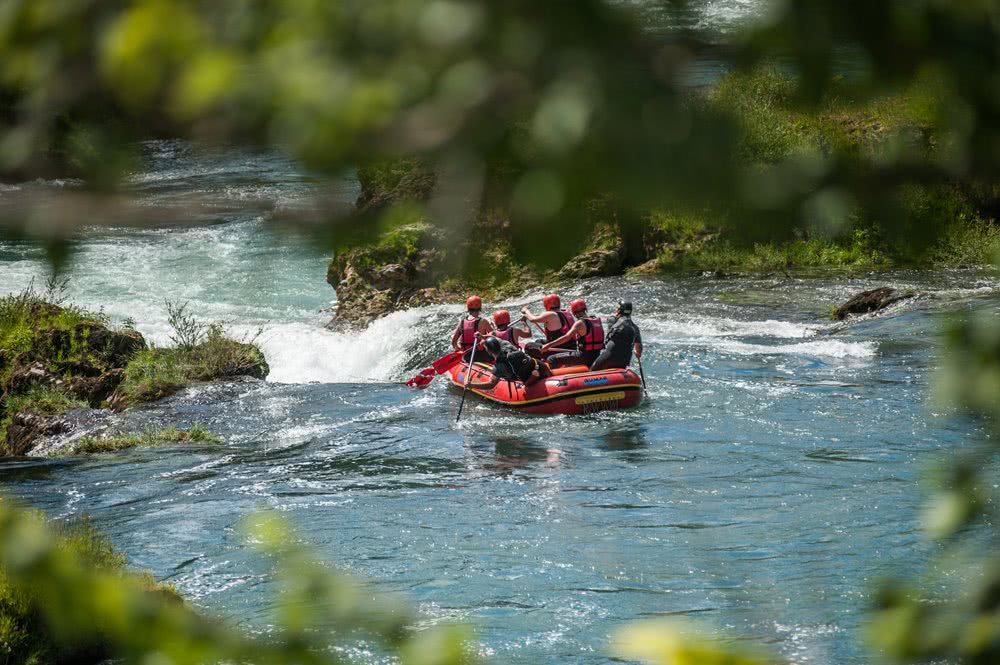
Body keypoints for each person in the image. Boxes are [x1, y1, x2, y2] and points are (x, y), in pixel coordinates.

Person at [541, 298, 605, 368]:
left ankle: (556, 377)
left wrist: (548, 345)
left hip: (583, 356)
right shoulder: (597, 320)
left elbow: (566, 337)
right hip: (598, 355)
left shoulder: (579, 323)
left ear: (574, 312)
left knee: (551, 359)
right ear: (585, 309)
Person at [478, 336, 552, 388]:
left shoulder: (498, 367)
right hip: (540, 366)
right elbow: (496, 338)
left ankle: (534, 377)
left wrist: (470, 385)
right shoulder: (507, 344)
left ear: (489, 351)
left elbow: (491, 384)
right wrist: (483, 337)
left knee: (526, 383)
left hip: (530, 379)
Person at [590, 301, 642, 370]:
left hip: (609, 356)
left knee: (592, 370)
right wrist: (637, 352)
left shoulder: (613, 320)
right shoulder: (635, 328)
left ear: (620, 310)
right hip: (624, 360)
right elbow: (638, 350)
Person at [451, 295, 494, 362]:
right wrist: (493, 328)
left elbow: (454, 343)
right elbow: (494, 337)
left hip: (466, 356)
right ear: (480, 307)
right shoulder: (483, 321)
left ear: (468, 307)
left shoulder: (462, 322)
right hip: (482, 356)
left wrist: (459, 350)